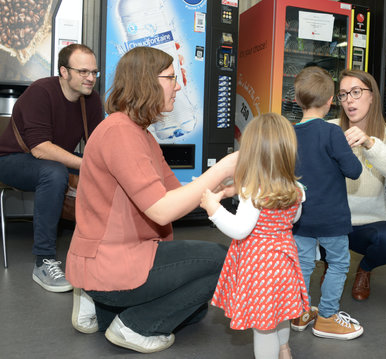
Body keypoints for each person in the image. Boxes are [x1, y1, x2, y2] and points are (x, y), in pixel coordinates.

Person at [65, 46, 237, 354]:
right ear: (146, 82)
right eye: (171, 77)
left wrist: (223, 188)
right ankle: (135, 326)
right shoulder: (121, 133)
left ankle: (106, 307)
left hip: (112, 257)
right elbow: (161, 210)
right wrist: (221, 168)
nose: (178, 85)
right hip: (114, 260)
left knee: (196, 311)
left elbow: (175, 193)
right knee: (223, 261)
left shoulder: (139, 133)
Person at [200, 113, 309, 359]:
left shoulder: (253, 192)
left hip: (260, 267)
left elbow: (240, 229)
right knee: (280, 314)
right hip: (284, 262)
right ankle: (284, 350)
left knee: (264, 327)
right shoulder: (295, 189)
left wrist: (213, 208)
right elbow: (293, 219)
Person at [0, 44, 103, 292]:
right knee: (55, 173)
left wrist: (104, 164)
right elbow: (40, 149)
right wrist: (88, 164)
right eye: (83, 72)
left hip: (54, 160)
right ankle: (43, 261)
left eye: (94, 72)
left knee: (105, 170)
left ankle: (106, 247)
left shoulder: (91, 99)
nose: (90, 78)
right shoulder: (41, 92)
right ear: (64, 72)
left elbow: (97, 144)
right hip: (12, 159)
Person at [289, 66, 364, 340]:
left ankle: (299, 312)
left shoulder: (288, 134)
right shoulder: (333, 133)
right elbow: (354, 171)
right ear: (331, 101)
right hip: (332, 218)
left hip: (300, 217)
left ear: (297, 100)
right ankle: (328, 317)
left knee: (303, 264)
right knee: (338, 264)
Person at [331, 69, 386, 301]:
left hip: (369, 222)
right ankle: (329, 263)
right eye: (343, 95)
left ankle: (365, 268)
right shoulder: (331, 128)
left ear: (372, 96)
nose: (349, 100)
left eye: (356, 92)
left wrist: (369, 143)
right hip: (333, 220)